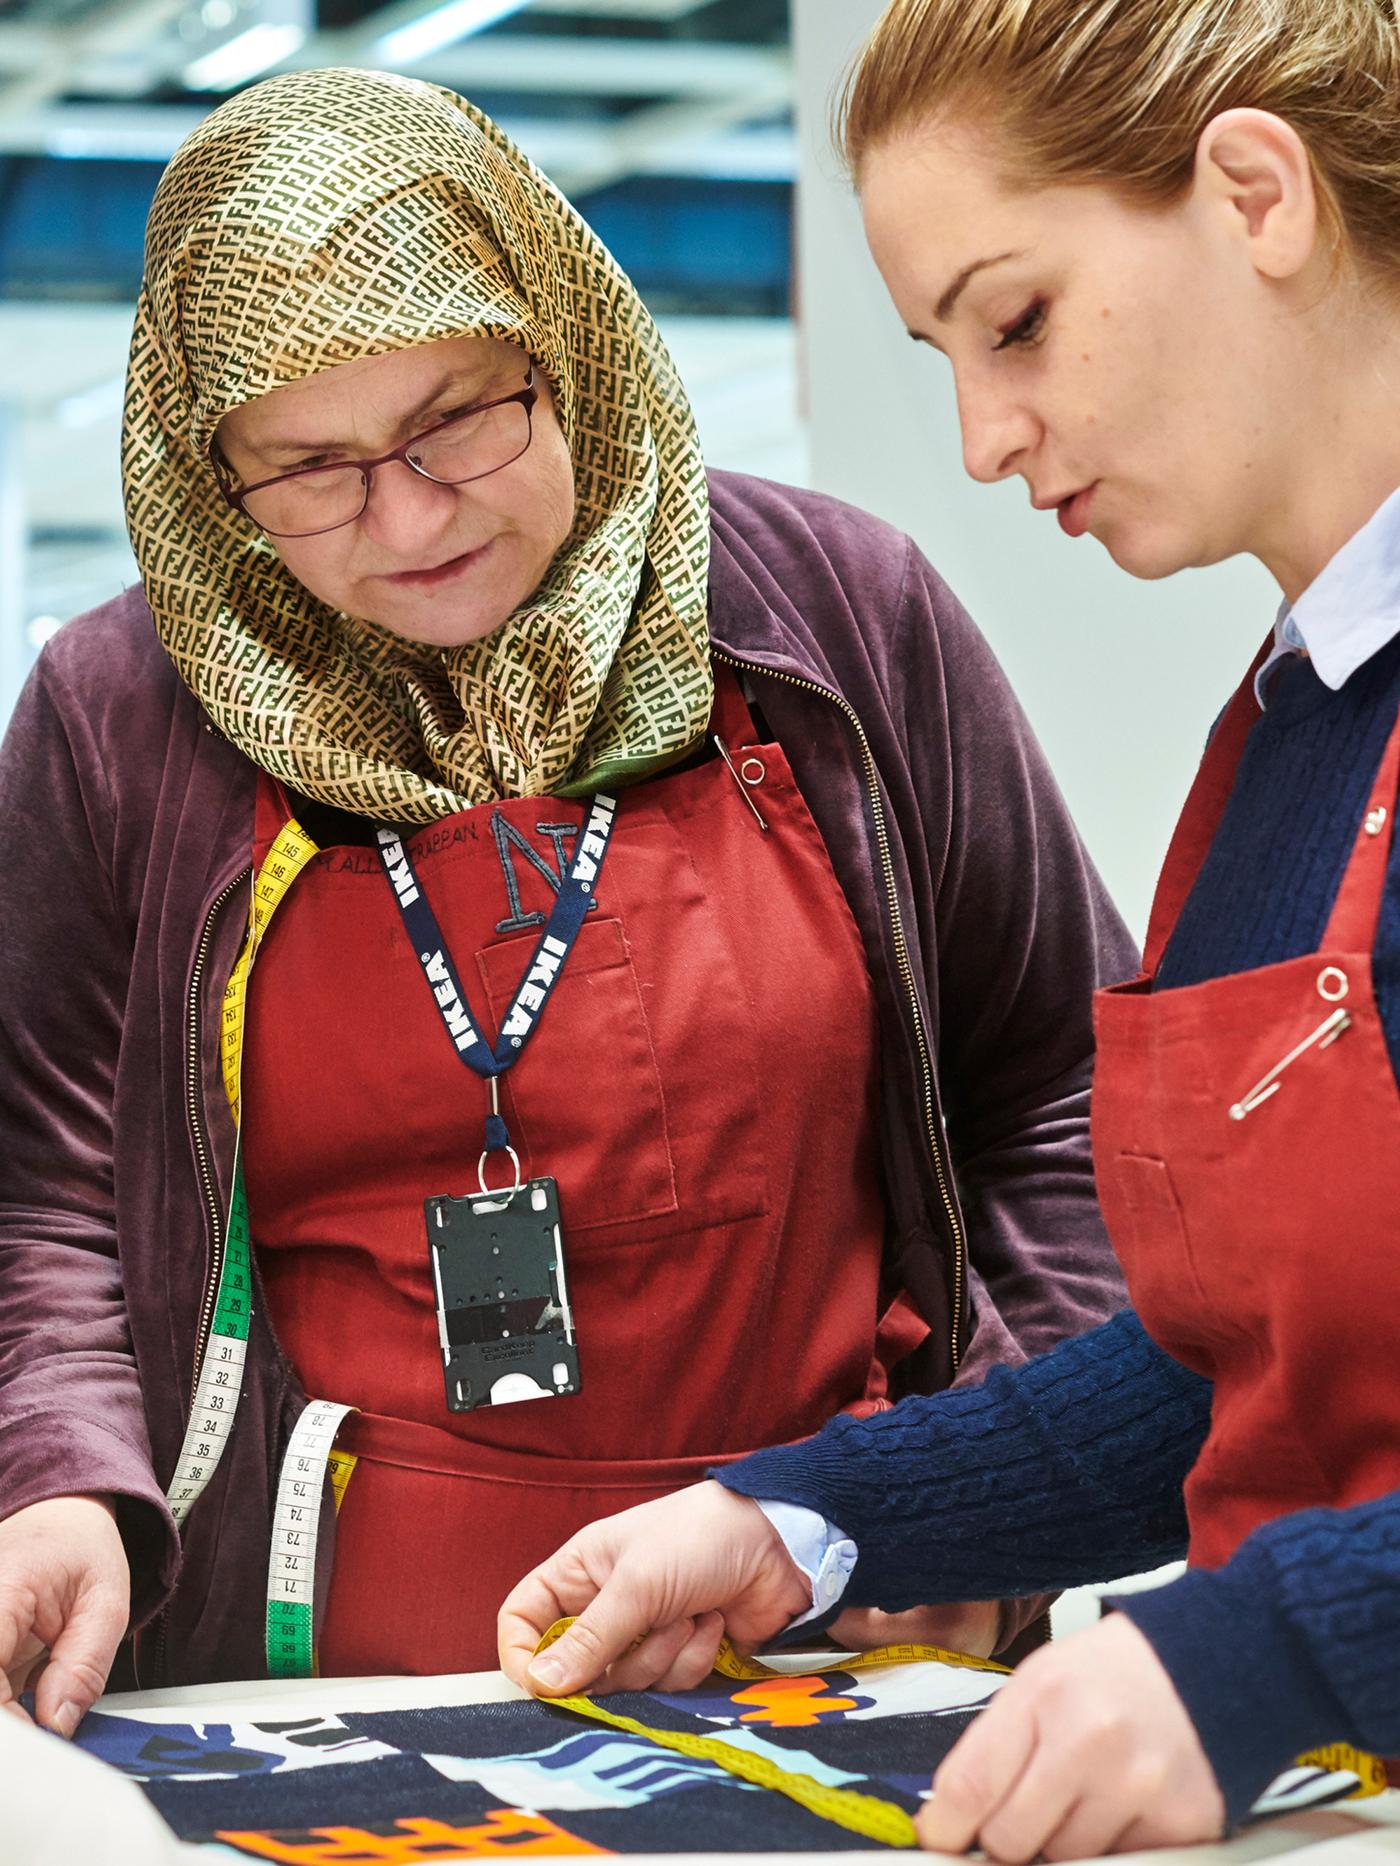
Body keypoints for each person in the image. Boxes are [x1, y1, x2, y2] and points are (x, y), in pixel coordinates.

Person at [0, 66, 1133, 1734]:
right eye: (305, 468)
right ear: (203, 473)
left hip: (843, 1652)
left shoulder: (835, 615)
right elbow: (46, 1204)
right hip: (301, 1706)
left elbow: (1067, 1093)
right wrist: (58, 1480)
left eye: (458, 417)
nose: (404, 517)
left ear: (566, 343)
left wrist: (987, 1495)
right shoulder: (120, 715)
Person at [498, 0, 1400, 1856]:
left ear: (1255, 193)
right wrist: (800, 1518)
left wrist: (1267, 1655)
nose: (986, 441)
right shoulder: (1292, 734)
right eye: (944, 360)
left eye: (1018, 320)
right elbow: (1247, 1356)